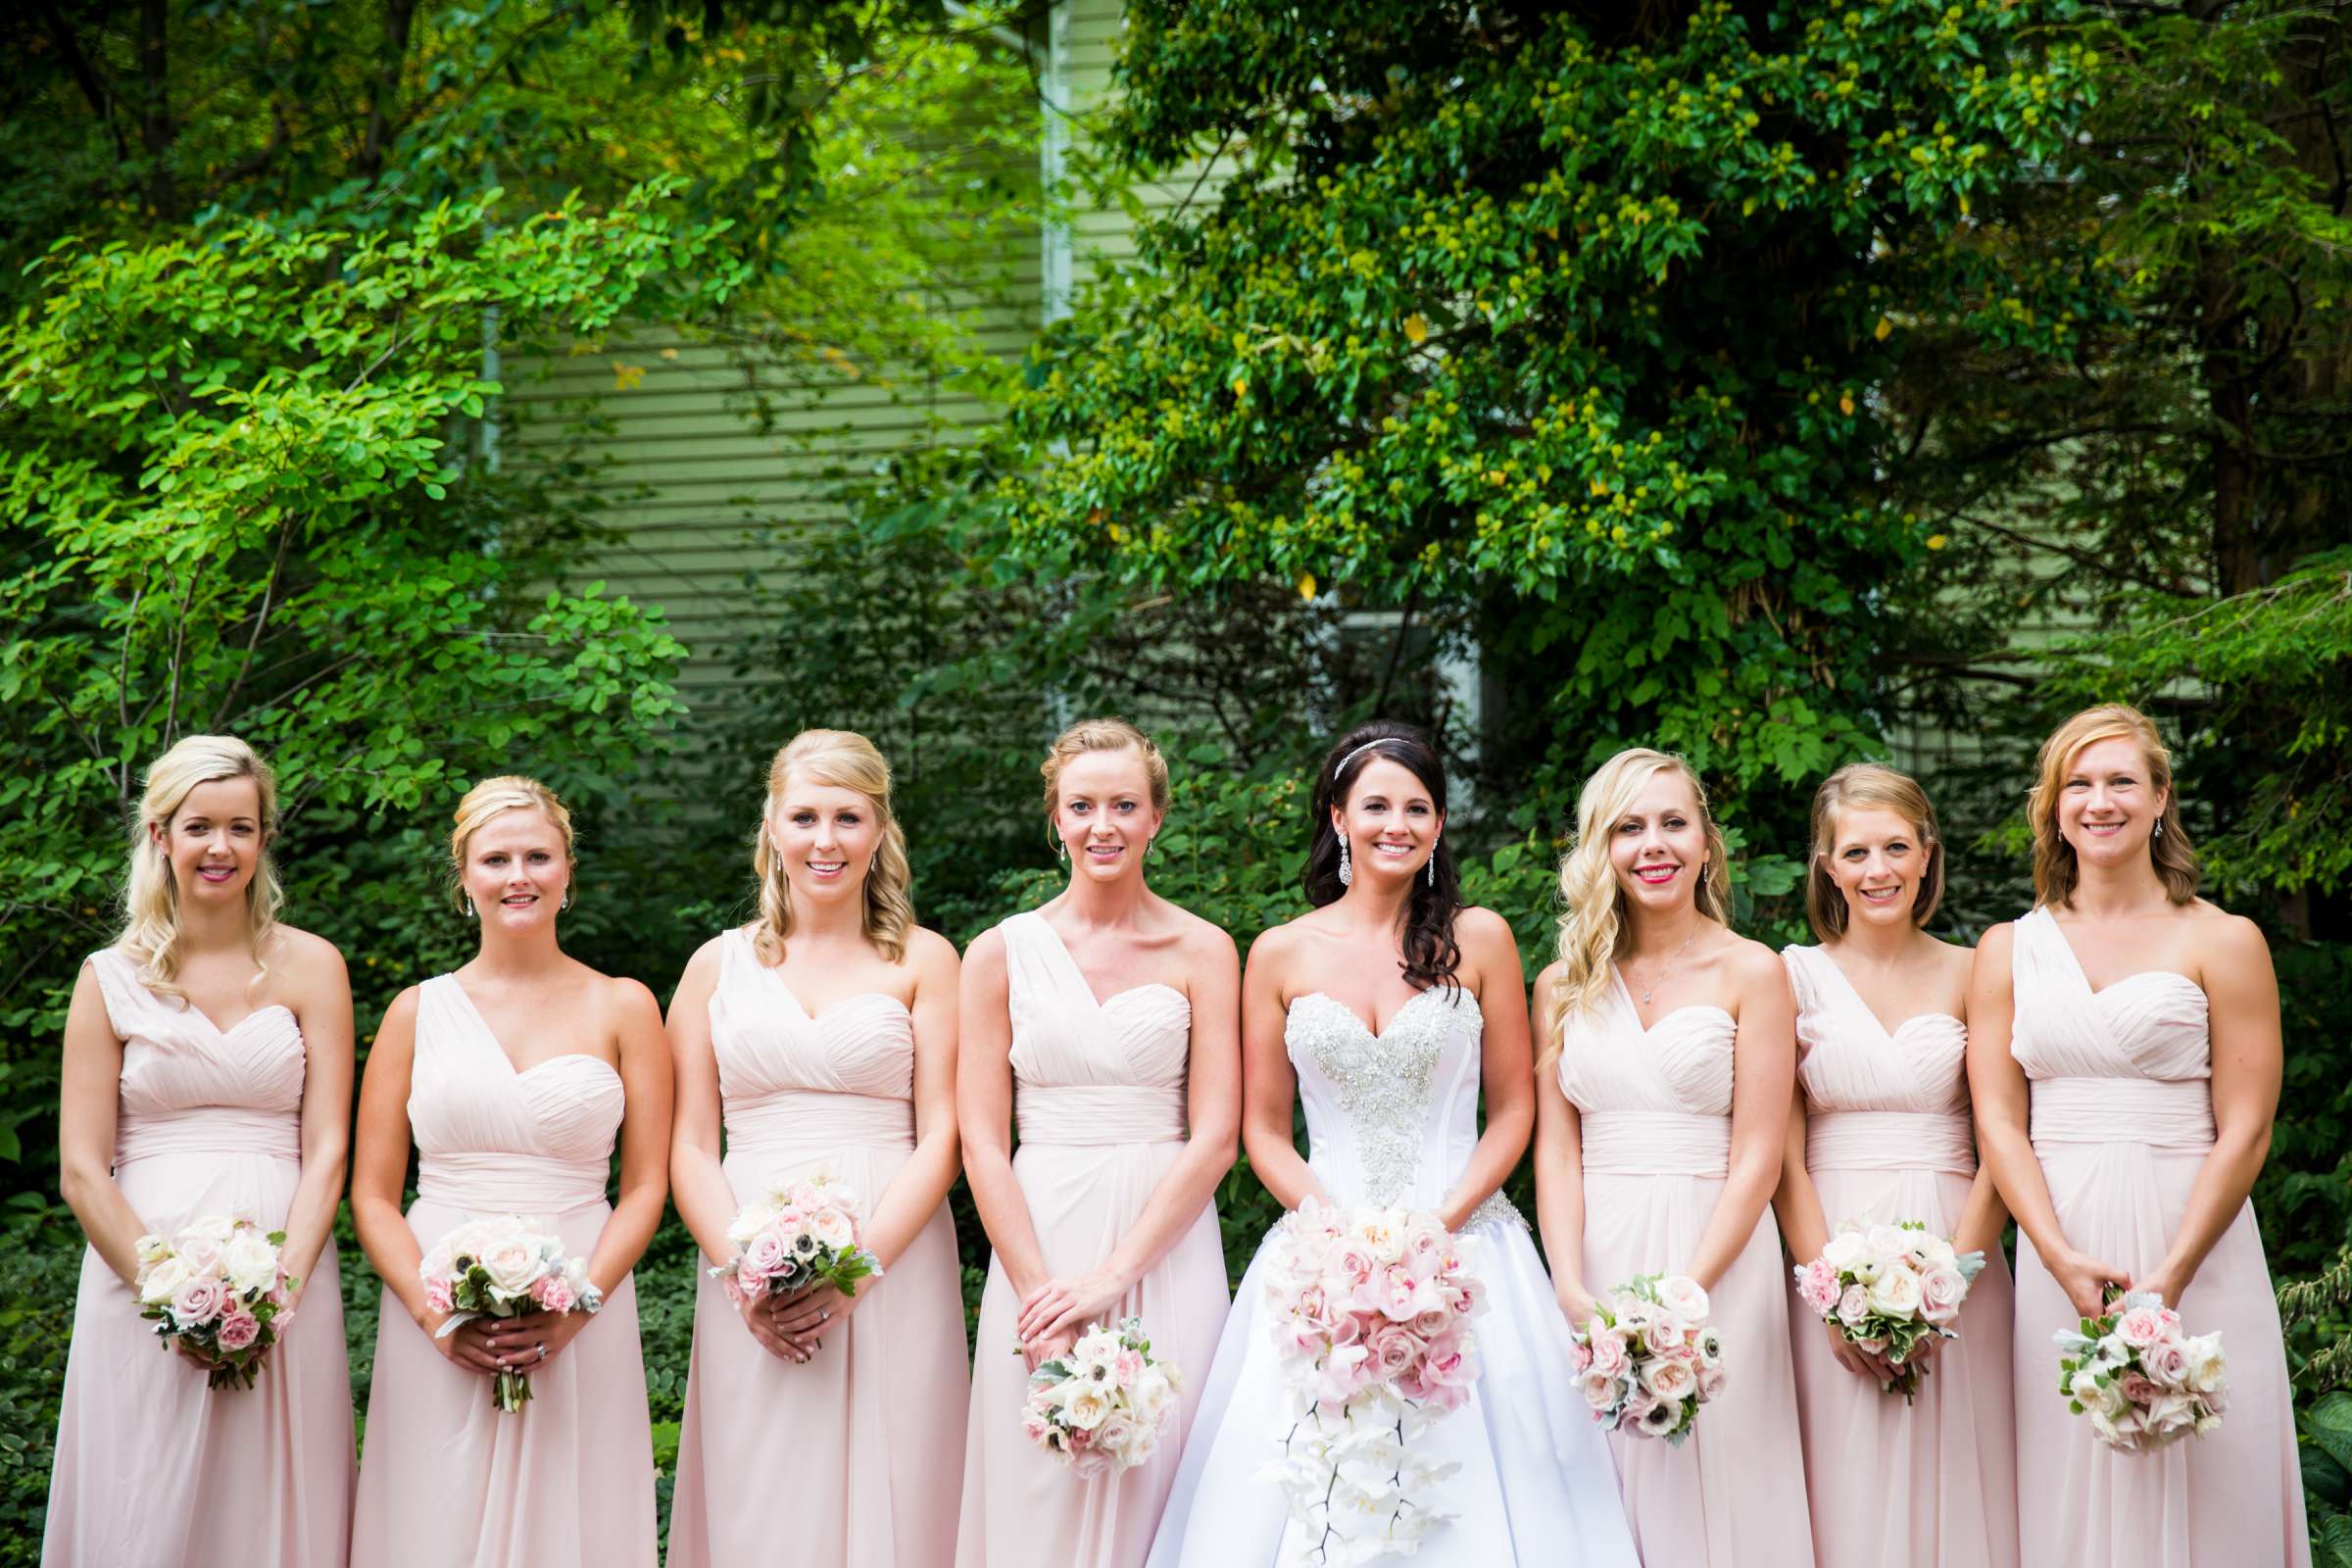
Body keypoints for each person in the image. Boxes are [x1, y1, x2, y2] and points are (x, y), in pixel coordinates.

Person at [1148, 721, 1641, 1567]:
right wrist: (1340, 1243)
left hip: (1465, 1244)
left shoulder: (1479, 938)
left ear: (1440, 827)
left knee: (1482, 1478)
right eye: (1375, 805)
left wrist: (1438, 1227)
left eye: (1418, 808)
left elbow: (1514, 1109)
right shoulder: (1277, 954)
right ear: (1339, 816)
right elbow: (1264, 1130)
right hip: (1320, 1254)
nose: (1396, 825)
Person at [1968, 704, 2307, 1565]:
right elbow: (2002, 1121)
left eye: (2122, 781)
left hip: (2194, 1232)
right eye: (2077, 784)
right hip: (2063, 1243)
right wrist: (2052, 1253)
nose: (2099, 801)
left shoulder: (2224, 941)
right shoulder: (2007, 950)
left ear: (2161, 800)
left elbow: (2247, 1126)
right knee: (2071, 1473)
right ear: (2053, 810)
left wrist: (2172, 1274)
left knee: (2211, 1479)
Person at [45, 735, 355, 1568]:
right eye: (200, 827)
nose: (221, 848)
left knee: (270, 1492)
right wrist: (168, 1289)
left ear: (263, 840)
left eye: (242, 828)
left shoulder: (314, 966)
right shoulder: (108, 976)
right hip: (137, 1272)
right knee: (145, 1490)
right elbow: (81, 1166)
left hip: (287, 1271)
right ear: (160, 836)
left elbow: (329, 1149)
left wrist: (280, 1288)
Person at [350, 776, 671, 1567]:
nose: (518, 875)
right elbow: (372, 1194)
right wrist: (436, 1315)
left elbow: (647, 1187)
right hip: (437, 1302)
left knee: (575, 1515)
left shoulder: (625, 1007)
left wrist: (580, 1304)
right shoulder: (414, 1013)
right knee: (435, 1513)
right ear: (464, 876)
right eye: (496, 858)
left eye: (538, 856)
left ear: (568, 871)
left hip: (581, 1295)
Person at [665, 731, 968, 1568]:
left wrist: (859, 1267)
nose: (824, 840)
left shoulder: (928, 961)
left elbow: (943, 1134)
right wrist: (743, 1271)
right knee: (762, 1476)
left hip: (894, 1246)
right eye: (804, 817)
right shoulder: (712, 968)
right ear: (772, 828)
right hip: (746, 1244)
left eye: (848, 817)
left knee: (900, 1470)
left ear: (879, 832)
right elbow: (690, 1144)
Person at [955, 718, 1237, 1568]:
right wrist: (1042, 1292)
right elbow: (979, 1139)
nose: (1102, 825)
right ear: (1056, 819)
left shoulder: (1205, 949)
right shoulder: (998, 953)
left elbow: (1218, 1134)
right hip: (1040, 1226)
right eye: (1082, 806)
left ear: (1156, 818)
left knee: (1167, 1467)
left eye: (1123, 805)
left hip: (1166, 1237)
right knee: (1040, 1476)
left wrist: (1117, 1276)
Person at [1535, 746, 1814, 1565]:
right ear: (1601, 849)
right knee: (1607, 1482)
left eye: (1671, 824)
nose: (1652, 845)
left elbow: (1759, 1152)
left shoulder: (1752, 972)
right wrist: (1568, 1282)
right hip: (1598, 1250)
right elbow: (1557, 1148)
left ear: (1705, 843)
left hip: (1718, 1254)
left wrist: (1689, 1290)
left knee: (1723, 1470)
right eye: (1629, 828)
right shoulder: (1561, 984)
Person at [1773, 763, 2015, 1566]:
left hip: (1957, 1240)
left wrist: (1955, 1279)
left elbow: (2002, 1143)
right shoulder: (1790, 974)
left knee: (1961, 1467)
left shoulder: (1975, 968)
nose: (1877, 870)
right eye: (1855, 853)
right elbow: (1783, 1157)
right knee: (1843, 1471)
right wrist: (1830, 1291)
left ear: (1926, 855)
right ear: (1827, 866)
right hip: (1827, 1247)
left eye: (1895, 848)